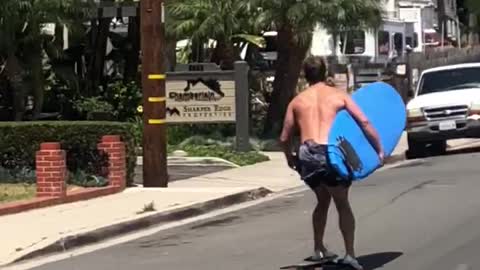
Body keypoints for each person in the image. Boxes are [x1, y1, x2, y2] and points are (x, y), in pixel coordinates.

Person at [279, 56, 384, 270]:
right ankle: (350, 255)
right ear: (324, 72)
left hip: (307, 153)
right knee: (342, 202)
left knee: (322, 200)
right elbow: (363, 121)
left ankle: (318, 249)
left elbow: (284, 137)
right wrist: (379, 150)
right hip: (330, 153)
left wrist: (290, 158)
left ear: (305, 75)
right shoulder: (338, 95)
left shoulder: (297, 101)